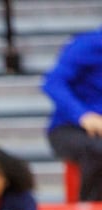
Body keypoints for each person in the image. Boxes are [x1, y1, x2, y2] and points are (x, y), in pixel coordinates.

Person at [42, 25, 102, 201]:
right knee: (98, 150)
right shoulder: (88, 44)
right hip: (70, 128)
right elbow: (53, 83)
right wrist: (83, 116)